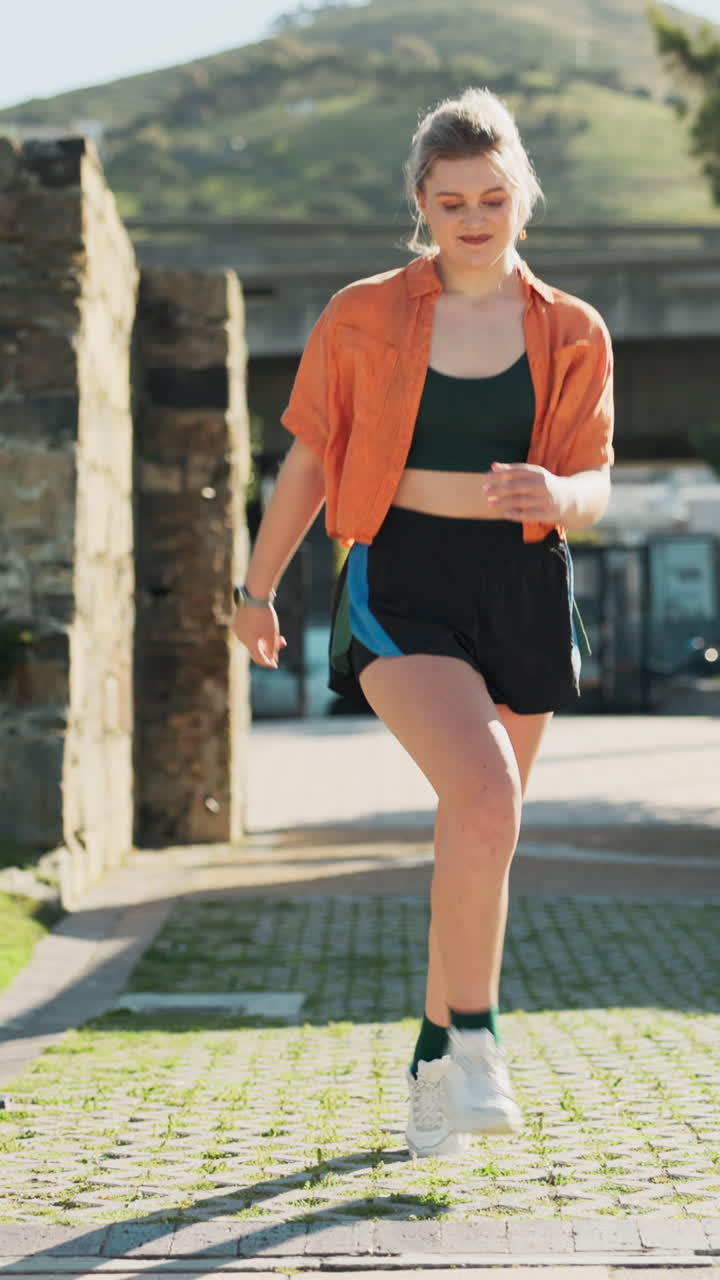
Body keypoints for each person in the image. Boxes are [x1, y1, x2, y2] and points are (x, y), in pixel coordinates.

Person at [231, 87, 614, 1159]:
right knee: (486, 790)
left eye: (494, 197)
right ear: (422, 205)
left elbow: (595, 479)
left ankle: (433, 1052)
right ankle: (481, 1039)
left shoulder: (572, 328)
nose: (475, 218)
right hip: (400, 576)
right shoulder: (364, 314)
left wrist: (560, 493)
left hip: (524, 580)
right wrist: (256, 590)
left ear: (522, 200)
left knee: (480, 826)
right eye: (453, 202)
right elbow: (309, 455)